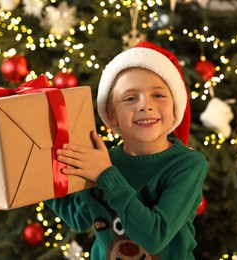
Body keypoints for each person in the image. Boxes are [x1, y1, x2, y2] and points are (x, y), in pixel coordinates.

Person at [46, 41, 208, 259]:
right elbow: (79, 218)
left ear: (175, 106)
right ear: (112, 115)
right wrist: (39, 177)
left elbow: (155, 236)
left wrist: (105, 175)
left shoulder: (188, 164)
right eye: (130, 98)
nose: (144, 105)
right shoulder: (101, 160)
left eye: (158, 95)